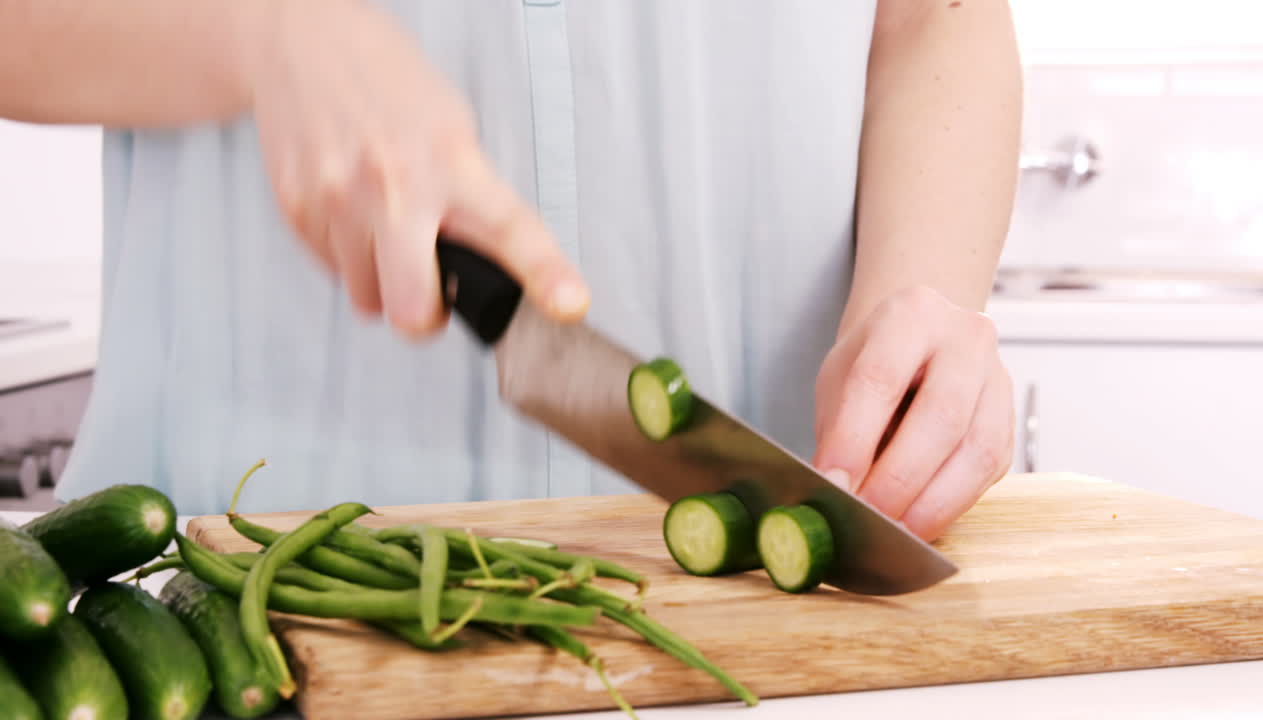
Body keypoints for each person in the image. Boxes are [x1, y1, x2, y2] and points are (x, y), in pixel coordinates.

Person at [0, 0, 1022, 542]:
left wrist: (912, 291)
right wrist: (256, 31)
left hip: (771, 587)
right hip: (247, 575)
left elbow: (936, 16)